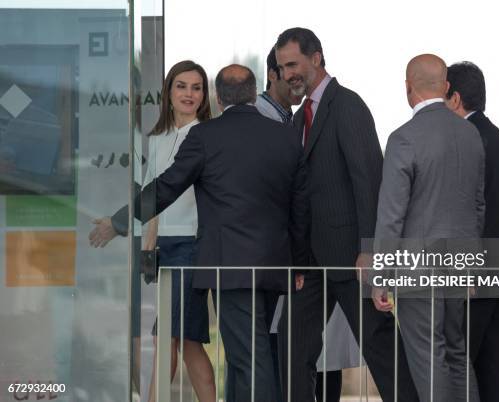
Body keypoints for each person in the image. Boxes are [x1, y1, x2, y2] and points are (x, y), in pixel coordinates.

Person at [89, 64, 309, 402]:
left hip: (228, 264)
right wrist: (299, 262)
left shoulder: (205, 135)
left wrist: (120, 222)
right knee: (243, 355)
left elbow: (165, 187)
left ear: (218, 98)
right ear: (253, 95)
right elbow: (300, 206)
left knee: (250, 357)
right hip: (275, 264)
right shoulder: (286, 135)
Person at [274, 27, 419, 402]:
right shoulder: (297, 118)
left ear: (317, 57)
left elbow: (368, 182)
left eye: (293, 63)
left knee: (382, 351)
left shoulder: (348, 105)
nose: (288, 73)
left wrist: (370, 250)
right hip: (309, 266)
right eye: (281, 67)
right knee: (292, 351)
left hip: (352, 260)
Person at [92, 60, 216, 402]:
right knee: (187, 341)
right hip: (164, 246)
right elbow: (150, 191)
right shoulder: (159, 138)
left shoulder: (206, 136)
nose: (189, 94)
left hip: (192, 246)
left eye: (196, 87)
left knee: (169, 339)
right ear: (168, 92)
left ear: (204, 95)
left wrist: (119, 224)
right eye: (182, 86)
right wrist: (118, 225)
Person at [372, 54, 483, 402]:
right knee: (457, 351)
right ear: (446, 86)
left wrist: (382, 276)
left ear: (408, 88)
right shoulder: (471, 135)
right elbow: (478, 206)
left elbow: (391, 214)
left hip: (417, 268)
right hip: (460, 263)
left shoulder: (404, 138)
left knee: (428, 356)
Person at [445, 61, 499, 402]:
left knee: (458, 368)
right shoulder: (497, 138)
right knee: (492, 372)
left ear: (455, 99)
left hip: (473, 275)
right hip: (496, 272)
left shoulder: (469, 141)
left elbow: (474, 212)